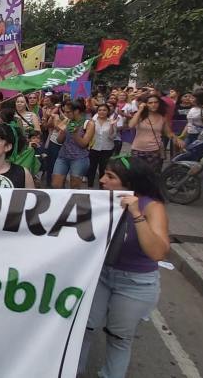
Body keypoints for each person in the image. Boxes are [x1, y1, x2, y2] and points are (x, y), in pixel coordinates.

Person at [78, 156, 170, 378]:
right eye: (104, 174)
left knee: (118, 337)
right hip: (101, 275)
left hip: (135, 283)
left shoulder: (152, 207)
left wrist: (136, 214)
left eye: (110, 176)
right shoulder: (102, 200)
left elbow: (158, 252)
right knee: (83, 327)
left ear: (130, 182)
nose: (102, 180)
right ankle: (72, 371)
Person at [128, 95, 182, 172]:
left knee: (153, 174)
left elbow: (168, 133)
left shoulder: (162, 117)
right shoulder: (140, 116)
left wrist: (177, 139)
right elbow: (131, 125)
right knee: (137, 174)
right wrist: (140, 110)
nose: (153, 105)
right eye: (150, 103)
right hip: (137, 150)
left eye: (156, 102)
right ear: (146, 104)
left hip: (155, 151)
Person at [52, 101, 95, 189]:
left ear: (77, 111)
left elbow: (83, 144)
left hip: (79, 158)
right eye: (64, 111)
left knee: (75, 186)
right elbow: (59, 141)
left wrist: (75, 133)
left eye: (68, 112)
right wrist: (63, 131)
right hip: (63, 157)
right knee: (56, 184)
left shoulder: (89, 124)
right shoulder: (66, 121)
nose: (65, 114)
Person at [86, 104, 118, 187]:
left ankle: (102, 187)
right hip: (94, 148)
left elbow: (112, 137)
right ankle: (90, 186)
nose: (102, 112)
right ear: (97, 111)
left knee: (103, 169)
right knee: (91, 168)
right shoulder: (92, 121)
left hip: (107, 149)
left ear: (108, 111)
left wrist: (112, 125)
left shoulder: (111, 121)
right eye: (100, 110)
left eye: (104, 110)